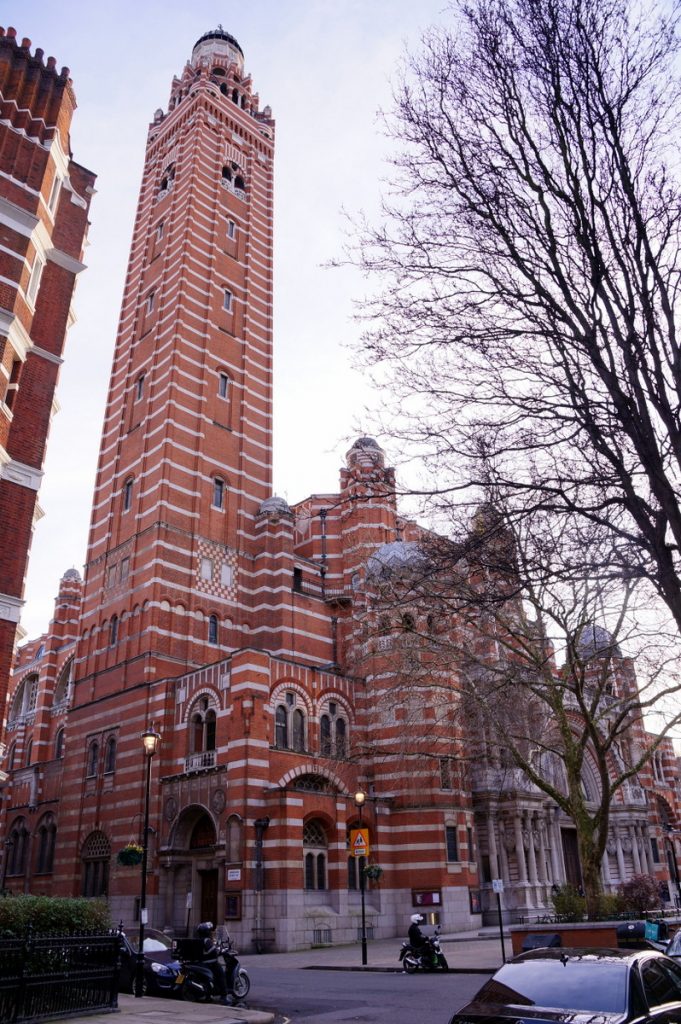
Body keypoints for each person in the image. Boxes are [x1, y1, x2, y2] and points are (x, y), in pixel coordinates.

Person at [194, 921, 230, 1004]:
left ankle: (208, 996)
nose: (210, 932)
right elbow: (213, 951)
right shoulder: (207, 941)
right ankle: (224, 997)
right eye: (209, 930)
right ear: (206, 932)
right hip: (210, 963)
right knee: (221, 975)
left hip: (202, 963)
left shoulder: (199, 940)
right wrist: (219, 951)